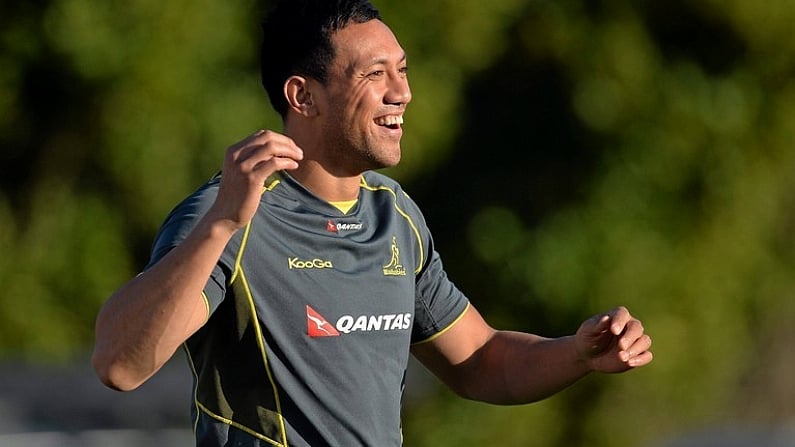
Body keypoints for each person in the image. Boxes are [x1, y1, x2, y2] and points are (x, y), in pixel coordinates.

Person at [91, 0, 653, 445]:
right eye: (375, 74)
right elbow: (120, 365)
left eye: (402, 71)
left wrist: (577, 353)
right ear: (302, 96)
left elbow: (481, 361)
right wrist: (219, 225)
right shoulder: (231, 211)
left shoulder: (396, 215)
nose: (402, 92)